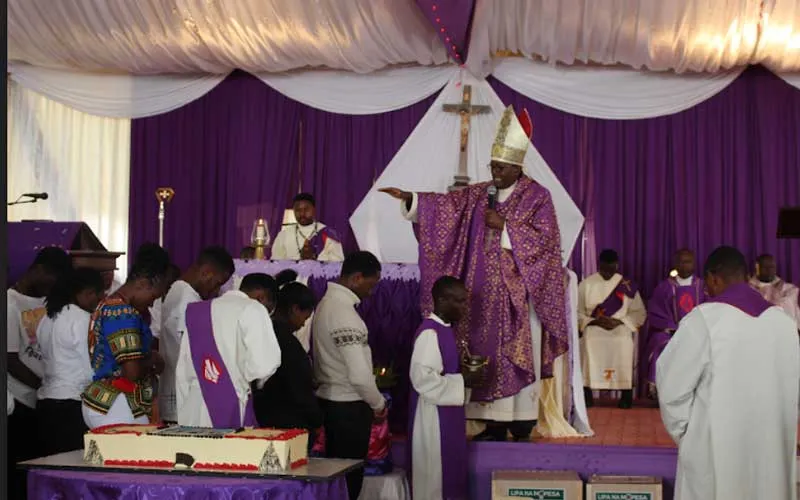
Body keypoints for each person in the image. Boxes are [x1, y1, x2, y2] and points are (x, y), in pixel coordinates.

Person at [380, 106, 571, 442]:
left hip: (518, 298)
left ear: (517, 166)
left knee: (514, 351)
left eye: (502, 168)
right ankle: (487, 419)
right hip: (480, 294)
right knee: (480, 345)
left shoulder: (539, 197)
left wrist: (507, 228)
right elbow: (446, 208)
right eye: (493, 166)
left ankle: (520, 418)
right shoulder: (481, 193)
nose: (495, 173)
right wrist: (412, 201)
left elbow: (548, 245)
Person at [657, 246, 799, 500]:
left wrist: (690, 437)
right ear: (746, 277)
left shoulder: (704, 319)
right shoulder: (785, 324)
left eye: (707, 285)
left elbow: (671, 387)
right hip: (772, 450)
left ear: (713, 278)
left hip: (715, 451)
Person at [313, 251, 386, 500]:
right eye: (371, 284)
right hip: (350, 408)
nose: (372, 291)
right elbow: (359, 376)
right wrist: (378, 403)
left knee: (338, 479)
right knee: (350, 481)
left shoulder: (325, 305)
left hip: (332, 403)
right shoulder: (346, 315)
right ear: (356, 278)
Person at [6, 247, 72, 497]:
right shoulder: (9, 303)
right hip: (21, 401)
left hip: (44, 399)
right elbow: (10, 359)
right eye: (52, 280)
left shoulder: (50, 302)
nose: (53, 287)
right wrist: (43, 386)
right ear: (39, 270)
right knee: (19, 472)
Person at [175, 273, 281, 428]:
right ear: (261, 298)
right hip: (231, 401)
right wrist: (255, 383)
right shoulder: (253, 308)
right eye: (269, 310)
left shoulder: (196, 310)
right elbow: (264, 366)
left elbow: (182, 370)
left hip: (194, 405)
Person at [81, 244, 169, 429]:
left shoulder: (107, 304)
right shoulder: (122, 313)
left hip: (108, 402)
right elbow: (132, 372)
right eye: (153, 296)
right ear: (143, 283)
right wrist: (153, 359)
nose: (152, 303)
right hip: (117, 404)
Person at [409, 276, 481, 500]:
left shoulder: (445, 330)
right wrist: (463, 380)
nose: (464, 307)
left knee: (447, 474)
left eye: (465, 301)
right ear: (441, 300)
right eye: (459, 301)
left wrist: (466, 378)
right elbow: (422, 379)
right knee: (434, 478)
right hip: (432, 417)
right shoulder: (430, 332)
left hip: (447, 411)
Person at [159, 246, 235, 423]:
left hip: (173, 386)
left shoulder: (176, 289)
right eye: (217, 283)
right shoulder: (190, 300)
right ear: (206, 272)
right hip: (182, 393)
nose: (216, 291)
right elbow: (195, 352)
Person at [37, 268, 105, 455]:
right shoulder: (82, 319)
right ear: (88, 293)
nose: (99, 302)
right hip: (72, 404)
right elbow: (91, 367)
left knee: (51, 465)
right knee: (73, 462)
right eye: (98, 296)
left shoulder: (47, 317)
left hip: (46, 401)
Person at [252, 274, 322, 434]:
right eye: (305, 317)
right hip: (287, 422)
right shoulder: (288, 343)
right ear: (295, 309)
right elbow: (299, 389)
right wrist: (317, 419)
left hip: (262, 416)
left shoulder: (263, 331)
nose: (304, 323)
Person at [578, 249, 646, 409]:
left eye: (611, 269)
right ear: (598, 265)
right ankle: (587, 393)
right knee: (588, 341)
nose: (607, 273)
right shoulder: (586, 284)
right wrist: (593, 321)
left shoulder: (626, 285)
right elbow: (577, 312)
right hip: (594, 328)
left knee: (623, 342)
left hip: (619, 327)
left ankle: (626, 394)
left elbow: (639, 312)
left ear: (617, 265)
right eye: (604, 269)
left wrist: (620, 322)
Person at [644, 249, 706, 396]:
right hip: (671, 333)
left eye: (688, 261)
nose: (684, 265)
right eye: (681, 262)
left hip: (697, 333)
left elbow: (710, 310)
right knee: (660, 342)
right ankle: (659, 391)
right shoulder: (664, 287)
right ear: (675, 264)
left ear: (694, 263)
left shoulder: (703, 287)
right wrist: (673, 327)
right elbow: (655, 311)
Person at [271, 193, 345, 262]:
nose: (302, 214)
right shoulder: (284, 235)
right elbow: (276, 264)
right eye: (298, 210)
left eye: (306, 209)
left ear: (314, 210)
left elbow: (338, 264)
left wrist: (313, 257)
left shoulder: (329, 234)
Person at [749, 254, 800, 329]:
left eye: (772, 267)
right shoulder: (748, 289)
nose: (769, 270)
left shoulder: (789, 289)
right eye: (765, 267)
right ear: (757, 268)